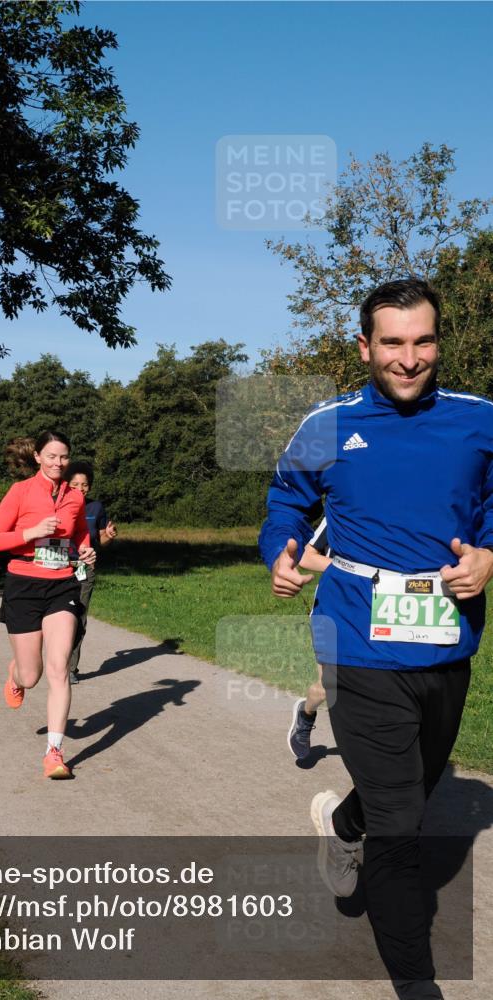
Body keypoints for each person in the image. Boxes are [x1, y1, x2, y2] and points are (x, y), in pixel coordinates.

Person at [259, 277, 493, 1000]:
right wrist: (282, 553)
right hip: (357, 639)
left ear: (437, 343)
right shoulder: (327, 424)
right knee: (401, 826)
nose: (408, 357)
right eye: (392, 342)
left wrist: (490, 557)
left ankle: (341, 818)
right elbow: (285, 507)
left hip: (447, 643)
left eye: (422, 340)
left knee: (411, 790)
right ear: (365, 346)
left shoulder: (479, 421)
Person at [0, 431, 96, 779]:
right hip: (23, 584)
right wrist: (31, 532)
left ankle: (54, 753)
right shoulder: (20, 492)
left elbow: (79, 533)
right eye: (51, 457)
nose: (57, 463)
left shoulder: (74, 497)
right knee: (31, 675)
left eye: (63, 457)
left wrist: (86, 549)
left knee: (59, 666)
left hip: (62, 583)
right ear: (37, 456)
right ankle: (15, 674)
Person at [64, 460, 117, 683]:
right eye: (75, 484)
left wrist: (110, 536)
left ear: (90, 487)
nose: (80, 488)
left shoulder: (96, 508)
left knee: (79, 618)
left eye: (84, 484)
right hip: (62, 567)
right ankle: (55, 659)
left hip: (85, 567)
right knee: (59, 617)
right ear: (66, 485)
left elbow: (101, 539)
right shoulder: (59, 505)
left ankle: (70, 668)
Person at [287, 517, 331, 759]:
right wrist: (350, 571)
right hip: (332, 611)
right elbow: (306, 556)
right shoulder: (341, 507)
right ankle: (306, 714)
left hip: (379, 616)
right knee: (328, 688)